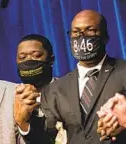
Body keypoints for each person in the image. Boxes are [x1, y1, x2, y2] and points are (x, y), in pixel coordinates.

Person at [15, 10, 126, 144]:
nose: (82, 37)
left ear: (105, 36)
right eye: (76, 32)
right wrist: (24, 123)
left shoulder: (123, 70)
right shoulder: (54, 89)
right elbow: (47, 139)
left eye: (90, 30)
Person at [15, 34, 67, 143]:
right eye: (22, 57)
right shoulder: (12, 97)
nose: (29, 61)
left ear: (51, 60)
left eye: (36, 55)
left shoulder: (68, 91)